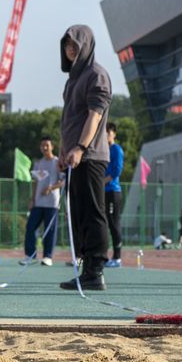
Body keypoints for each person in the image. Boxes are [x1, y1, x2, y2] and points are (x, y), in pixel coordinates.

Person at [57, 25, 112, 291]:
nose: (71, 49)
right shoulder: (72, 80)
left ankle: (96, 270)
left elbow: (95, 115)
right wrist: (62, 150)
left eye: (75, 45)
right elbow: (68, 118)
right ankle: (86, 268)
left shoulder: (96, 75)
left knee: (93, 212)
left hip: (90, 156)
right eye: (67, 45)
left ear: (86, 46)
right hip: (74, 158)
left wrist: (80, 147)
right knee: (78, 214)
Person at [20, 136, 63, 267]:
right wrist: (32, 199)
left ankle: (47, 257)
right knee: (30, 227)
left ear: (52, 147)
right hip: (38, 203)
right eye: (42, 145)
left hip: (52, 203)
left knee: (49, 230)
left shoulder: (58, 162)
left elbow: (63, 181)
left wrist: (51, 188)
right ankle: (30, 256)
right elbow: (35, 182)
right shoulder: (38, 163)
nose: (44, 148)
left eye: (47, 145)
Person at [104, 122, 125, 268]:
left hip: (113, 191)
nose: (105, 135)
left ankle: (117, 257)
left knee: (113, 223)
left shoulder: (116, 149)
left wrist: (103, 181)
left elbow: (117, 170)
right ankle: (103, 256)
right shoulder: (102, 150)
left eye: (108, 132)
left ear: (114, 134)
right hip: (103, 192)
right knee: (103, 224)